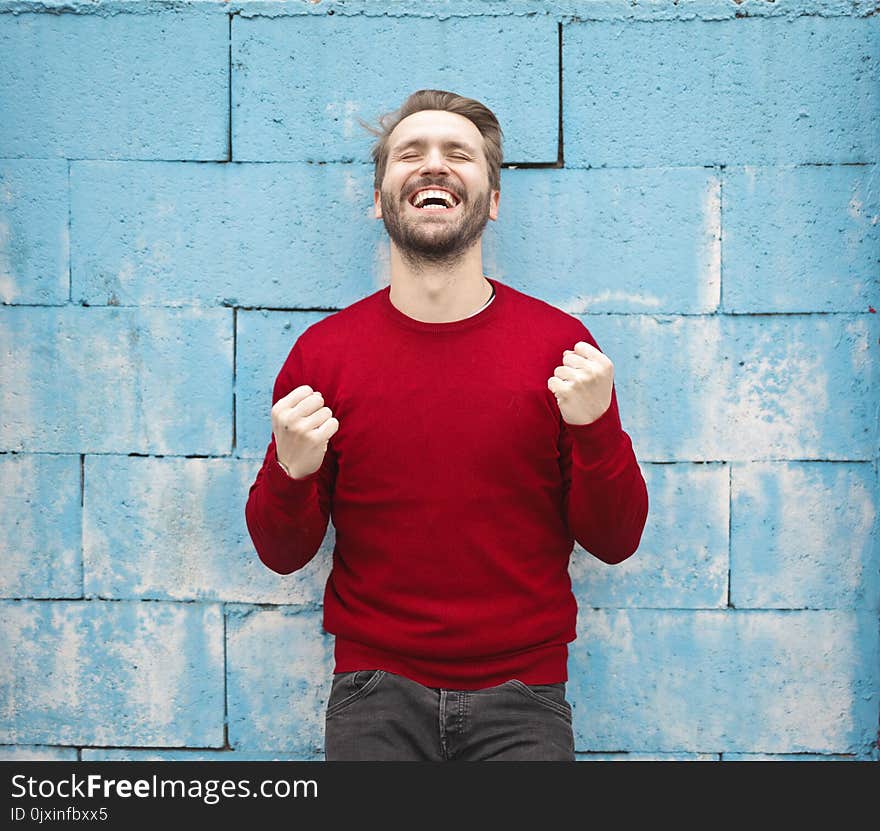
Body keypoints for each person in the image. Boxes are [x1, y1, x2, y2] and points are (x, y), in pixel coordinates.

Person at [245, 89, 649, 761]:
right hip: (373, 696)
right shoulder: (323, 357)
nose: (433, 165)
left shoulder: (562, 349)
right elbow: (282, 551)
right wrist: (291, 471)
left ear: (491, 200)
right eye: (411, 153)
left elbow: (615, 540)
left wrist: (598, 429)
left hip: (526, 698)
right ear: (380, 198)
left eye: (457, 153)